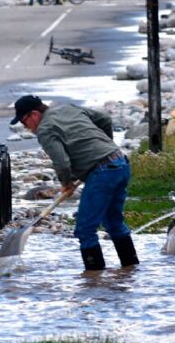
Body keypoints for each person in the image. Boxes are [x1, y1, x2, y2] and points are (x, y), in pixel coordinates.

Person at [11, 95, 139, 270]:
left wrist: (66, 183)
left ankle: (93, 281)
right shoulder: (67, 108)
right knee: (113, 223)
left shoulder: (45, 129)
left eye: (24, 122)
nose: (26, 128)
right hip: (120, 164)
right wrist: (107, 144)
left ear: (34, 114)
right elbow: (104, 119)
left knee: (85, 230)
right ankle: (130, 269)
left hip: (102, 173)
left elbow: (62, 162)